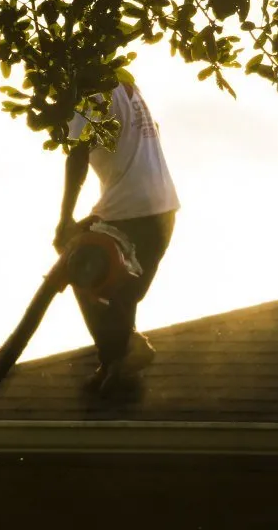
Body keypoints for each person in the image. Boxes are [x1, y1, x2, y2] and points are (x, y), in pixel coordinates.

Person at [54, 82, 180, 393]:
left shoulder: (90, 91)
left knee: (79, 263)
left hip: (130, 210)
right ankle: (116, 366)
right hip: (162, 209)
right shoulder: (130, 88)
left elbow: (78, 156)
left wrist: (65, 219)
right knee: (120, 291)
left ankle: (126, 346)